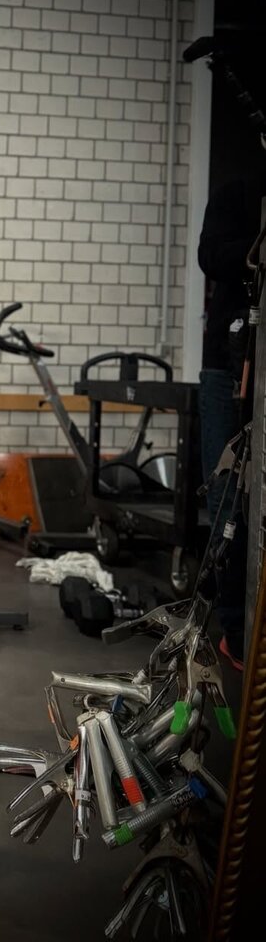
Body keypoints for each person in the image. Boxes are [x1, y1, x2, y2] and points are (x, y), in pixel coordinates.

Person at [197, 168, 265, 670]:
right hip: (228, 364)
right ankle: (235, 630)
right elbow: (210, 256)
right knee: (226, 496)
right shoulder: (237, 194)